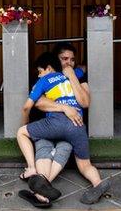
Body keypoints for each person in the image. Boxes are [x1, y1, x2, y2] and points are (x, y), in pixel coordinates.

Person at [17, 52, 110, 208]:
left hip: (56, 122)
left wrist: (27, 126)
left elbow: (27, 107)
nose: (39, 75)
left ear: (47, 68)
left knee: (21, 132)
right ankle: (98, 183)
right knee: (85, 165)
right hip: (78, 125)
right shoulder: (72, 76)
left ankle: (32, 170)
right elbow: (81, 69)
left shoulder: (45, 80)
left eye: (40, 71)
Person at [28, 43, 88, 184]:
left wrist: (72, 76)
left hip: (71, 127)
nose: (69, 63)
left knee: (65, 147)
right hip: (48, 124)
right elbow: (38, 102)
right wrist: (65, 108)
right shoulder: (45, 76)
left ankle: (43, 186)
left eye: (72, 60)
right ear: (56, 60)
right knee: (43, 148)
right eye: (64, 59)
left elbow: (85, 102)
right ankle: (42, 184)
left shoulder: (77, 75)